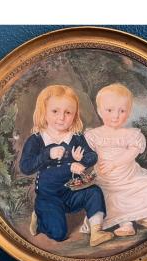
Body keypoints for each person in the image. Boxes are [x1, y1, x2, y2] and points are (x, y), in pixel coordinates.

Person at [19, 85, 114, 246]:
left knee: (94, 192)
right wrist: (46, 155)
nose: (61, 117)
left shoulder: (75, 138)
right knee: (59, 234)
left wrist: (82, 160)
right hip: (49, 196)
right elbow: (26, 167)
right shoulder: (36, 140)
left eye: (68, 112)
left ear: (75, 115)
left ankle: (96, 231)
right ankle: (41, 217)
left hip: (72, 192)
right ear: (44, 112)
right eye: (55, 111)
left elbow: (93, 156)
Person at [80, 83, 147, 237]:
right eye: (109, 110)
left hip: (130, 177)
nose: (116, 115)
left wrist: (114, 163)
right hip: (107, 181)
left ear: (129, 112)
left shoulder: (132, 134)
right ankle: (126, 224)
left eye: (122, 111)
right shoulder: (93, 135)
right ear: (99, 111)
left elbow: (133, 152)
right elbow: (88, 156)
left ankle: (146, 216)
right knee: (111, 199)